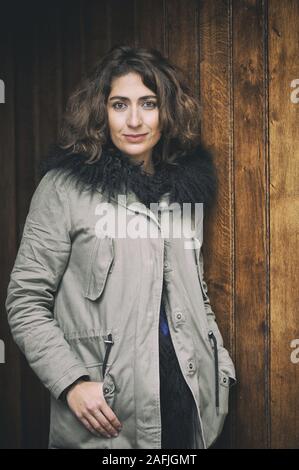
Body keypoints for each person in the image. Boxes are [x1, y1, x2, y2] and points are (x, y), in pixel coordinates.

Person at [5, 45, 236, 449]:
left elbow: (195, 297)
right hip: (108, 415)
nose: (134, 120)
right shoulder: (63, 189)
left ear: (167, 113)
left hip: (191, 405)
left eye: (149, 104)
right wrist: (71, 382)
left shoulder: (182, 193)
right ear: (100, 113)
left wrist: (221, 371)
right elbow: (25, 302)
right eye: (119, 104)